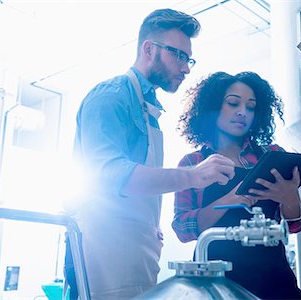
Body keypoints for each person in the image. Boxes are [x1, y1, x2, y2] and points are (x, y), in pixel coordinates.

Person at [65, 9, 238, 300]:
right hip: (103, 250)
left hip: (133, 247)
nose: (186, 68)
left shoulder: (149, 107)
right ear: (149, 49)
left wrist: (147, 226)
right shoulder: (111, 96)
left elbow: (135, 185)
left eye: (189, 59)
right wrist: (194, 176)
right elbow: (110, 176)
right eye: (179, 56)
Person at [172, 71, 301, 299]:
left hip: (273, 279)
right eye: (233, 103)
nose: (242, 112)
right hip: (216, 282)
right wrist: (229, 199)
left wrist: (289, 197)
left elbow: (295, 225)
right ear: (213, 107)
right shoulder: (192, 163)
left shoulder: (272, 155)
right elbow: (183, 229)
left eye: (251, 107)